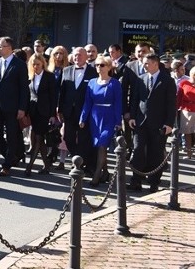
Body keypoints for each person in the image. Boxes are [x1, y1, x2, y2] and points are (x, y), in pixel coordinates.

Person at [127, 53, 176, 193]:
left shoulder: (167, 81)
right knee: (137, 150)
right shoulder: (140, 79)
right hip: (141, 122)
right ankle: (135, 181)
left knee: (156, 153)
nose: (144, 66)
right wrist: (132, 117)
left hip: (159, 124)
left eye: (147, 63)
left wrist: (169, 123)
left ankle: (154, 183)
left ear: (155, 63)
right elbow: (135, 99)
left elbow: (171, 104)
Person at [0, 37, 30, 177]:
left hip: (12, 106)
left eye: (1, 46)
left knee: (11, 135)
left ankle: (7, 165)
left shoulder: (19, 65)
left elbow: (23, 88)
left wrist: (22, 108)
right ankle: (11, 156)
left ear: (9, 47)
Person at [79, 55, 123, 186]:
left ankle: (97, 175)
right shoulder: (92, 82)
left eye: (102, 65)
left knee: (102, 145)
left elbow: (118, 103)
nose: (99, 67)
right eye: (97, 65)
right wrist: (83, 118)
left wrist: (118, 122)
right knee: (98, 145)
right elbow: (87, 102)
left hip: (109, 116)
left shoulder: (115, 83)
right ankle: (105, 172)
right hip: (95, 117)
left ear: (109, 67)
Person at [58, 47, 98, 173]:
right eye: (75, 55)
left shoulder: (93, 72)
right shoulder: (66, 70)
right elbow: (62, 91)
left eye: (80, 55)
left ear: (86, 57)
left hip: (85, 111)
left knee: (84, 138)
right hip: (69, 110)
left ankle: (80, 164)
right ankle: (78, 158)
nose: (77, 57)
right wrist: (59, 108)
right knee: (68, 138)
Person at [26, 53, 57, 175]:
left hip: (45, 112)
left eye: (38, 64)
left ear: (43, 64)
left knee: (38, 138)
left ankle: (29, 165)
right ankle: (46, 166)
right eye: (33, 64)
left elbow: (54, 97)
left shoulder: (49, 77)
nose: (36, 66)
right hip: (33, 111)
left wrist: (52, 114)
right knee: (39, 139)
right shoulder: (30, 76)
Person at [176, 67, 195, 160]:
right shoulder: (183, 83)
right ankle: (189, 153)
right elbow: (179, 97)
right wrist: (176, 108)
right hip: (186, 111)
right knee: (187, 133)